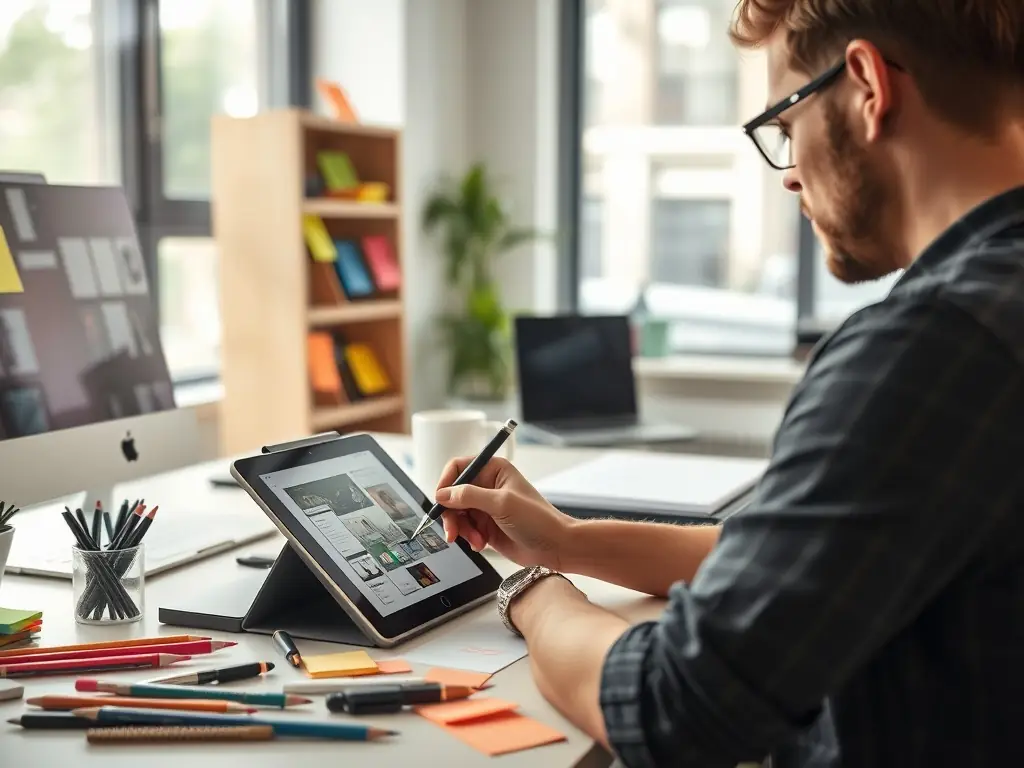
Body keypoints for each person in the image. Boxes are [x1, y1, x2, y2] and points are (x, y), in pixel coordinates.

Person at [434, 2, 1024, 766]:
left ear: (869, 86)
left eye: (784, 125)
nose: (789, 174)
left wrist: (535, 592)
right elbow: (803, 555)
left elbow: (672, 709)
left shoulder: (928, 348)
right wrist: (570, 541)